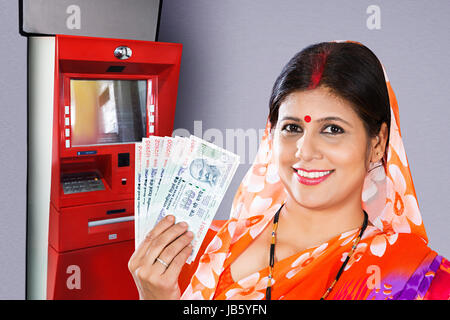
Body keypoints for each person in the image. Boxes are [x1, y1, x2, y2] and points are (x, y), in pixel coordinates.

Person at [128, 41, 450, 300]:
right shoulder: (197, 250)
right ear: (271, 133)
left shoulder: (412, 279)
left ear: (378, 143)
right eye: (292, 128)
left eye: (333, 130)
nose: (305, 152)